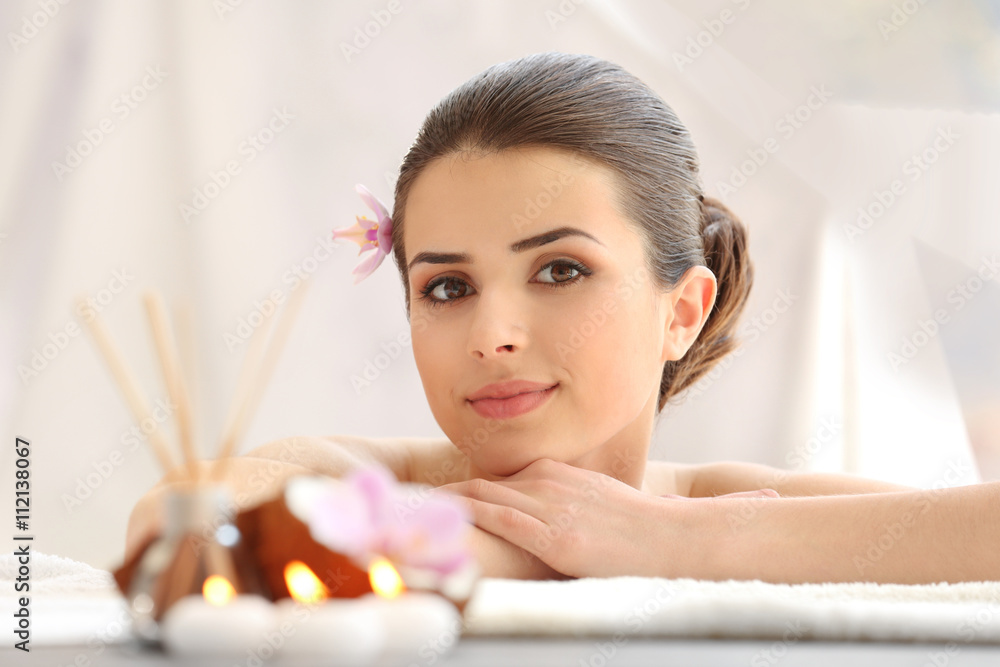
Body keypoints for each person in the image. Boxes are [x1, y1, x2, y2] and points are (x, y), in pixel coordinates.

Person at [126, 52, 999, 584]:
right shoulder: (363, 476)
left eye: (560, 269)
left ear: (682, 312)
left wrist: (680, 542)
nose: (490, 334)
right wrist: (548, 545)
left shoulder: (707, 508)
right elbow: (183, 526)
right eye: (446, 286)